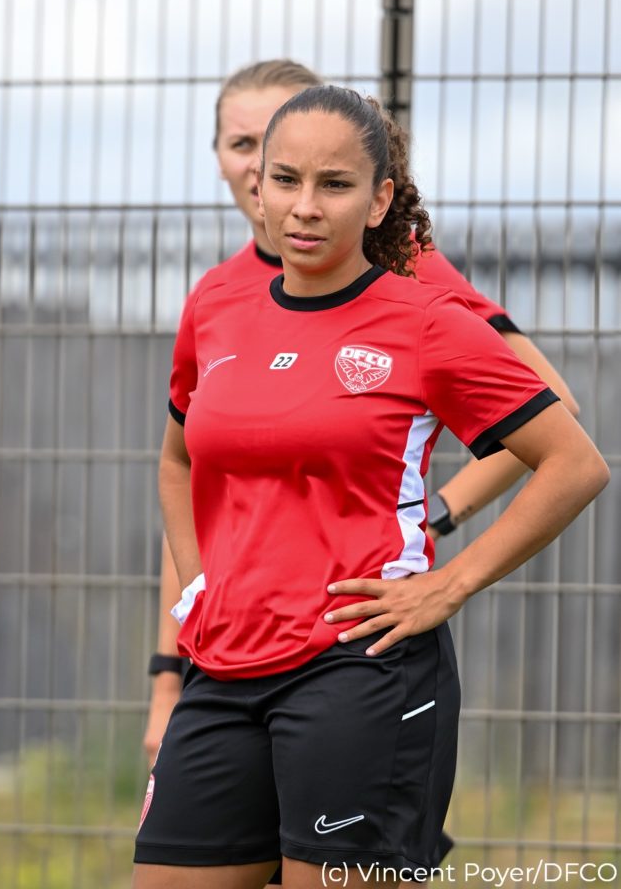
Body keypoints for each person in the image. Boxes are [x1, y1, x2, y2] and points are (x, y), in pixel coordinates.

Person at [133, 86, 608, 889]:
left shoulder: (427, 321)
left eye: (335, 185)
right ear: (259, 189)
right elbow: (177, 460)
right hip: (222, 667)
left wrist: (449, 584)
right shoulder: (215, 309)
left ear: (380, 199)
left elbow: (574, 461)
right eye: (286, 180)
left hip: (360, 668)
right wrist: (197, 586)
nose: (305, 207)